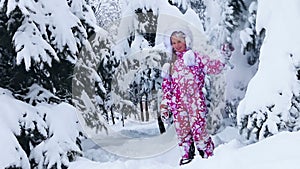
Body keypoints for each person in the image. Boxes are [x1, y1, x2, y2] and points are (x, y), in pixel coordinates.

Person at [160, 29, 225, 165]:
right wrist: (165, 105)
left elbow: (213, 66)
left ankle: (207, 156)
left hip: (195, 99)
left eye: (179, 41)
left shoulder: (194, 56)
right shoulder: (170, 63)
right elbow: (167, 86)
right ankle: (187, 157)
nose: (177, 45)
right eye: (173, 43)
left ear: (186, 41)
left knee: (198, 129)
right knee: (182, 131)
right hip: (177, 103)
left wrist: (223, 56)